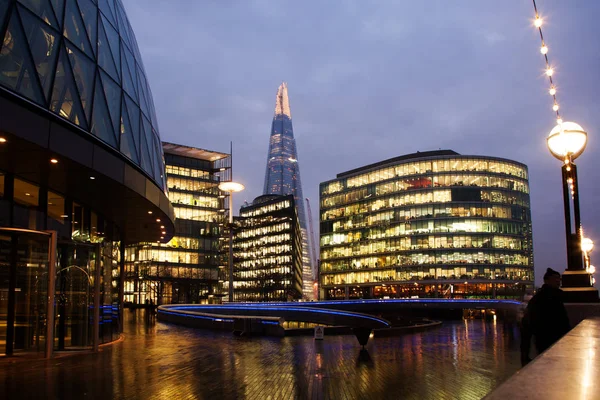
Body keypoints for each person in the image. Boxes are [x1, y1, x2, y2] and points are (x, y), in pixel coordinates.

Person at [520, 268, 571, 366]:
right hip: (547, 339)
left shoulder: (552, 296)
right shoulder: (543, 298)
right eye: (555, 278)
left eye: (559, 278)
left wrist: (525, 354)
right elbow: (527, 324)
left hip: (548, 340)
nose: (558, 281)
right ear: (546, 280)